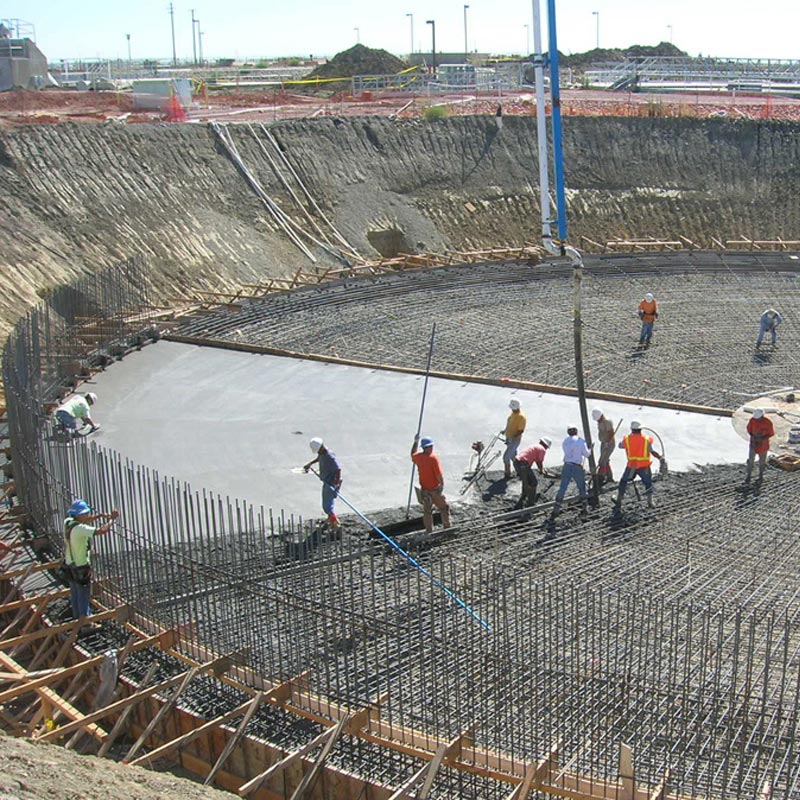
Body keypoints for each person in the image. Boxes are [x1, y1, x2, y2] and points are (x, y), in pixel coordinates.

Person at [63, 499, 119, 623]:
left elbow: (84, 521)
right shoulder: (80, 529)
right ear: (79, 515)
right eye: (86, 513)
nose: (87, 515)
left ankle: (77, 616)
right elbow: (102, 531)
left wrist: (100, 515)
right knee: (83, 593)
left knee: (75, 592)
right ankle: (85, 621)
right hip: (80, 567)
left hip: (69, 565)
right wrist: (112, 519)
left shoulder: (68, 522)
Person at [614, 421, 664, 511]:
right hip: (644, 466)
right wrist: (660, 457)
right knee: (648, 483)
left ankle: (619, 500)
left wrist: (629, 436)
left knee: (623, 481)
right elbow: (652, 452)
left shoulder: (627, 439)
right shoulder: (646, 440)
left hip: (631, 466)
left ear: (632, 429)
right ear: (641, 429)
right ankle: (650, 502)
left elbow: (620, 445)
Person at [410, 435, 450, 533]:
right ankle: (447, 528)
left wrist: (415, 442)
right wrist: (442, 485)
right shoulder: (433, 458)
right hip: (434, 490)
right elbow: (438, 474)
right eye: (430, 446)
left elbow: (412, 454)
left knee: (427, 511)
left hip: (424, 491)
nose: (432, 448)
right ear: (427, 447)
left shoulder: (418, 457)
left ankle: (429, 531)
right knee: (444, 508)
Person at [552, 426, 591, 517]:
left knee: (563, 487)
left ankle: (556, 508)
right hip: (577, 467)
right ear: (576, 431)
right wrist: (590, 449)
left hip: (567, 465)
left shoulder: (565, 442)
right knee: (581, 487)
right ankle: (585, 508)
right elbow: (587, 454)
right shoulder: (581, 441)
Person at [304, 438, 342, 528]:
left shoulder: (329, 457)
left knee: (327, 507)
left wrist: (336, 483)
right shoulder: (323, 453)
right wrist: (310, 463)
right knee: (328, 504)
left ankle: (336, 525)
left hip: (330, 483)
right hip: (327, 481)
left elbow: (338, 469)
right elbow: (319, 458)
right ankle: (331, 519)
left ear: (321, 448)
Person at [513, 437, 552, 509]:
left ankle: (523, 497)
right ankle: (531, 503)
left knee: (526, 481)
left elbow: (535, 460)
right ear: (546, 446)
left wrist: (541, 469)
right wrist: (541, 470)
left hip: (517, 462)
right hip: (523, 464)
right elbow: (539, 461)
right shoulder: (542, 449)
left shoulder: (534, 446)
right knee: (533, 482)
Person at [745, 408, 774, 483]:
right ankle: (748, 476)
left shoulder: (768, 422)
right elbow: (749, 430)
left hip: (763, 445)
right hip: (753, 444)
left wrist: (762, 438)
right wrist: (753, 437)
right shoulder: (752, 420)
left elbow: (771, 433)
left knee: (762, 461)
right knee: (751, 460)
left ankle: (760, 476)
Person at [502, 398, 527, 479]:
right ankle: (519, 471)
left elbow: (520, 430)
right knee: (514, 456)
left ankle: (507, 473)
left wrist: (513, 438)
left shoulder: (521, 417)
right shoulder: (513, 413)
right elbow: (509, 423)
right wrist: (505, 431)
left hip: (514, 440)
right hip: (509, 438)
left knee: (506, 457)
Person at [591, 407, 616, 485]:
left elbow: (611, 433)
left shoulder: (607, 422)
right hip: (603, 443)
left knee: (602, 461)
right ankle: (609, 477)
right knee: (605, 460)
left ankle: (601, 478)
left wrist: (608, 442)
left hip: (609, 444)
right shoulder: (599, 422)